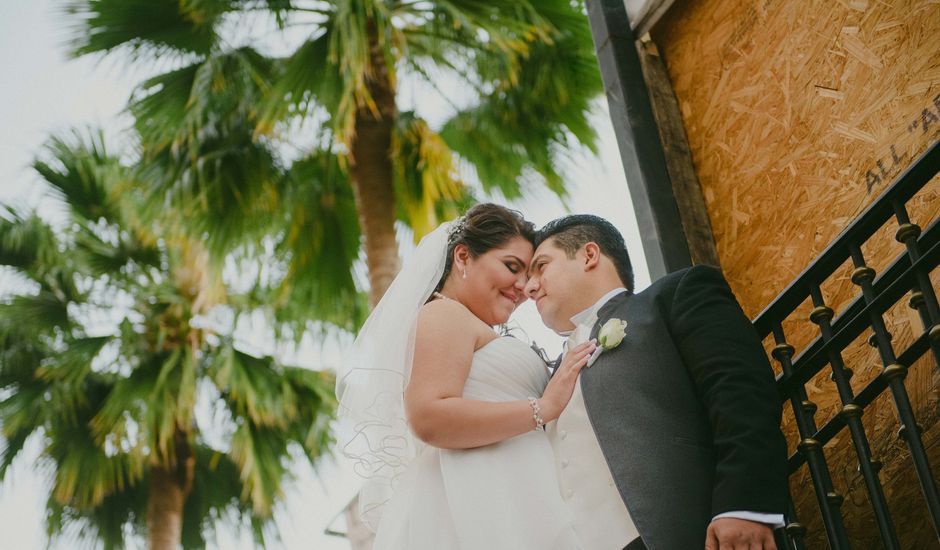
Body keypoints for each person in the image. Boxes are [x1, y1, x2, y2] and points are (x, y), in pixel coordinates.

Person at [336, 203, 593, 549]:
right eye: (511, 267)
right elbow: (429, 416)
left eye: (528, 274)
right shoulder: (444, 314)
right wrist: (542, 408)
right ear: (462, 257)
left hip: (512, 491)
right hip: (477, 500)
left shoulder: (467, 323)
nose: (523, 286)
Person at [524, 214, 788, 550]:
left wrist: (743, 504)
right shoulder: (547, 382)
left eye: (541, 266)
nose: (529, 287)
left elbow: (739, 391)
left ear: (589, 255)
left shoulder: (672, 297)